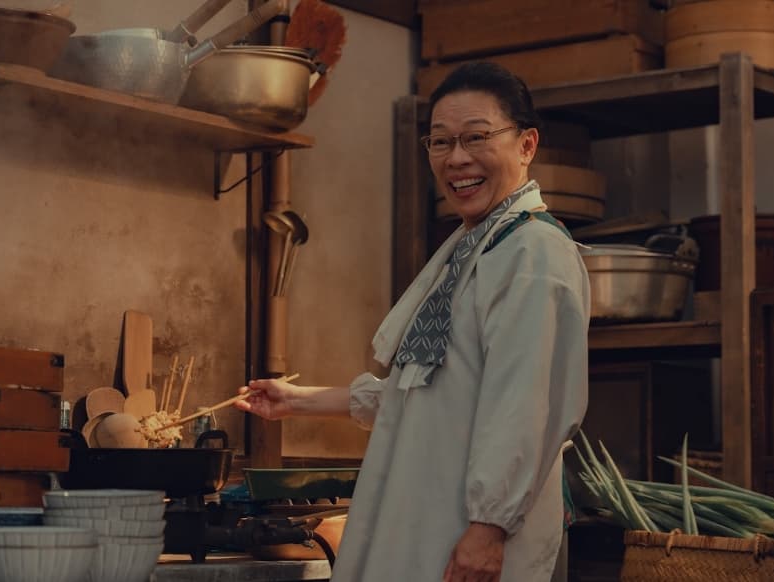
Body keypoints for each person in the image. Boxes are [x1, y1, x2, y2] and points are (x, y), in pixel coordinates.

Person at [235, 61, 591, 582]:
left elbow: (525, 406)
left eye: (476, 137)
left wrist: (488, 529)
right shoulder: (474, 247)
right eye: (441, 142)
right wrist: (298, 400)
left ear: (526, 145)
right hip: (429, 522)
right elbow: (427, 395)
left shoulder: (532, 253)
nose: (457, 158)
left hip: (473, 535)